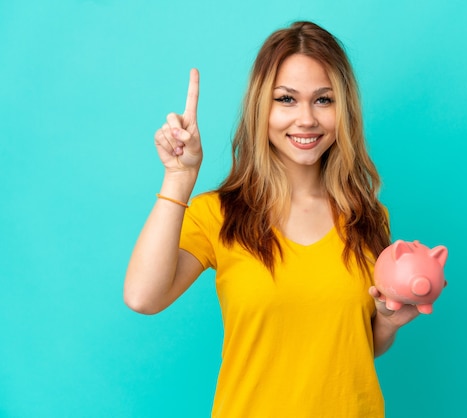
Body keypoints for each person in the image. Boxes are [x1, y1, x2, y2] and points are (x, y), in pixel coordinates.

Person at [125, 21, 421, 418]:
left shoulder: (368, 217)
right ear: (261, 108)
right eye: (286, 99)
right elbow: (143, 297)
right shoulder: (220, 214)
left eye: (323, 100)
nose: (306, 119)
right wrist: (179, 179)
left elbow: (352, 346)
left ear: (343, 109)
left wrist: (388, 322)